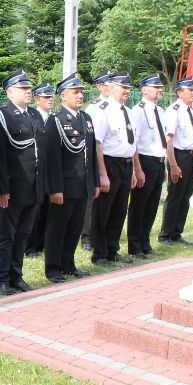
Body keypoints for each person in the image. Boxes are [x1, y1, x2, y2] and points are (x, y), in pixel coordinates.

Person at [0, 70, 45, 296]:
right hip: (13, 186)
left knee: (23, 233)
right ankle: (2, 278)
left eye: (29, 88)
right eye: (23, 88)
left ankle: (16, 274)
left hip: (33, 185)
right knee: (7, 234)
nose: (28, 92)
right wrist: (2, 188)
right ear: (10, 92)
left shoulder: (34, 115)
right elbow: (0, 157)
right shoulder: (1, 115)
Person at [44, 74, 99, 283]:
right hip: (65, 185)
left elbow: (91, 153)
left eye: (81, 92)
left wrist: (93, 181)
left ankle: (69, 263)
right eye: (75, 92)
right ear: (63, 96)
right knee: (57, 228)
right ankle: (53, 268)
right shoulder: (56, 121)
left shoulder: (86, 119)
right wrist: (55, 188)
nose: (80, 95)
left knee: (75, 227)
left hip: (83, 183)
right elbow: (52, 158)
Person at [90, 72, 141, 266]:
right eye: (123, 87)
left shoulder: (127, 111)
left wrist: (135, 171)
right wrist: (102, 174)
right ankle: (99, 253)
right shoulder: (102, 109)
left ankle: (112, 249)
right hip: (109, 163)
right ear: (111, 88)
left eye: (128, 88)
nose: (127, 91)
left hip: (126, 164)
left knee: (119, 209)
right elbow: (97, 144)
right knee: (103, 209)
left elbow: (132, 143)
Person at [127, 74, 167, 259]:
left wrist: (165, 165)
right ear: (144, 89)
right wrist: (137, 169)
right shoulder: (138, 111)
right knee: (139, 205)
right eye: (155, 87)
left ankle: (145, 241)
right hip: (145, 160)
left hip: (158, 161)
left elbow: (162, 140)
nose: (159, 90)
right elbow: (134, 142)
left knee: (152, 205)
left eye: (160, 87)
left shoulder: (160, 111)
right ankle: (134, 244)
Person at [159, 78, 193, 246]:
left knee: (186, 196)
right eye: (190, 90)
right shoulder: (173, 110)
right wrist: (174, 165)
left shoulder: (189, 110)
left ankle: (177, 232)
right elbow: (169, 140)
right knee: (175, 195)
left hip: (190, 156)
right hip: (179, 155)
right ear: (179, 92)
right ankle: (166, 234)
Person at [80, 70, 113, 252]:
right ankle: (87, 237)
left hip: (116, 159)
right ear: (100, 86)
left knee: (110, 203)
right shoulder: (95, 108)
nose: (110, 87)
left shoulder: (117, 107)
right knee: (93, 201)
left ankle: (103, 234)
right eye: (107, 84)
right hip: (99, 157)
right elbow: (95, 140)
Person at [24, 83, 54, 257]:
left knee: (46, 209)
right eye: (46, 97)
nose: (50, 100)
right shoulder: (35, 117)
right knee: (34, 211)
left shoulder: (54, 118)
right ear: (37, 99)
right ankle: (30, 245)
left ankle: (41, 243)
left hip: (48, 170)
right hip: (35, 170)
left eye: (51, 97)